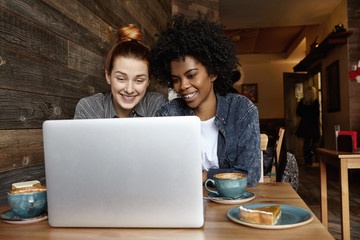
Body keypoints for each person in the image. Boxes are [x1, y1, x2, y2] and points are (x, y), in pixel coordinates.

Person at [150, 15, 261, 187]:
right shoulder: (169, 114)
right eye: (176, 79)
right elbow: (161, 173)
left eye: (191, 75)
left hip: (230, 204)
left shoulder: (241, 110)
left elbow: (250, 175)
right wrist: (222, 175)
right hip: (183, 204)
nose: (183, 86)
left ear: (212, 73)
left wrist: (204, 176)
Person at [74, 24, 166, 119]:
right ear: (108, 76)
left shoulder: (156, 104)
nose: (129, 90)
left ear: (148, 81)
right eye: (121, 79)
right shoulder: (89, 108)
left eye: (139, 80)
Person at [296, 86, 320, 166]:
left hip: (305, 125)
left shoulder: (302, 102)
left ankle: (307, 159)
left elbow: (298, 113)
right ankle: (309, 155)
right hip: (313, 125)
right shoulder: (315, 102)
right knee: (315, 142)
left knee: (306, 143)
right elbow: (316, 114)